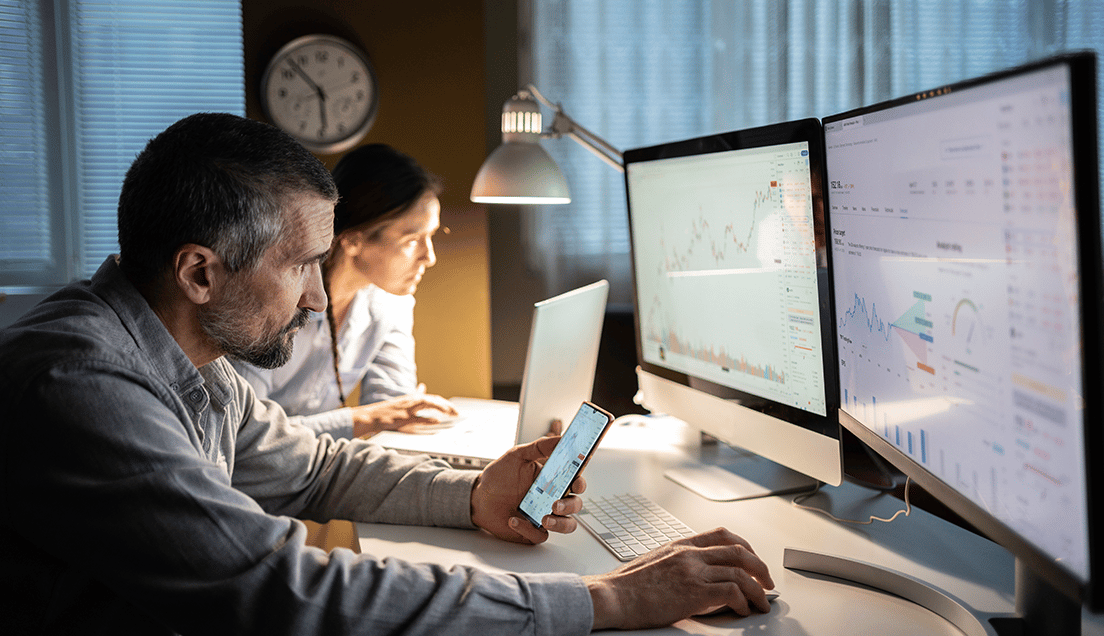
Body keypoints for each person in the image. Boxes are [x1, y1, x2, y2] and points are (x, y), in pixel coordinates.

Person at [0, 112, 774, 634]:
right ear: (200, 272)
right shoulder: (81, 383)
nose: (315, 297)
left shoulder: (190, 356)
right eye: (302, 264)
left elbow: (314, 469)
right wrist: (601, 600)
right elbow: (282, 589)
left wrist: (473, 495)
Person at [232, 143, 457, 440]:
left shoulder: (391, 301)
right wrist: (367, 418)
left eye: (431, 236)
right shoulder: (273, 304)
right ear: (353, 241)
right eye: (411, 239)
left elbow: (393, 408)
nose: (429, 257)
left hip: (325, 467)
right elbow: (244, 433)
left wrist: (398, 417)